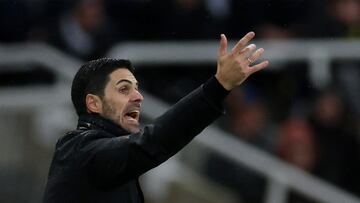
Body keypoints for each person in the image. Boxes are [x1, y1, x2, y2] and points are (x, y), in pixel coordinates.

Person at [42, 32, 269, 203]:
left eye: (136, 88)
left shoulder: (107, 158)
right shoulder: (80, 150)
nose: (139, 97)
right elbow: (154, 141)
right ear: (93, 103)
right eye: (123, 89)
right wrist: (218, 86)